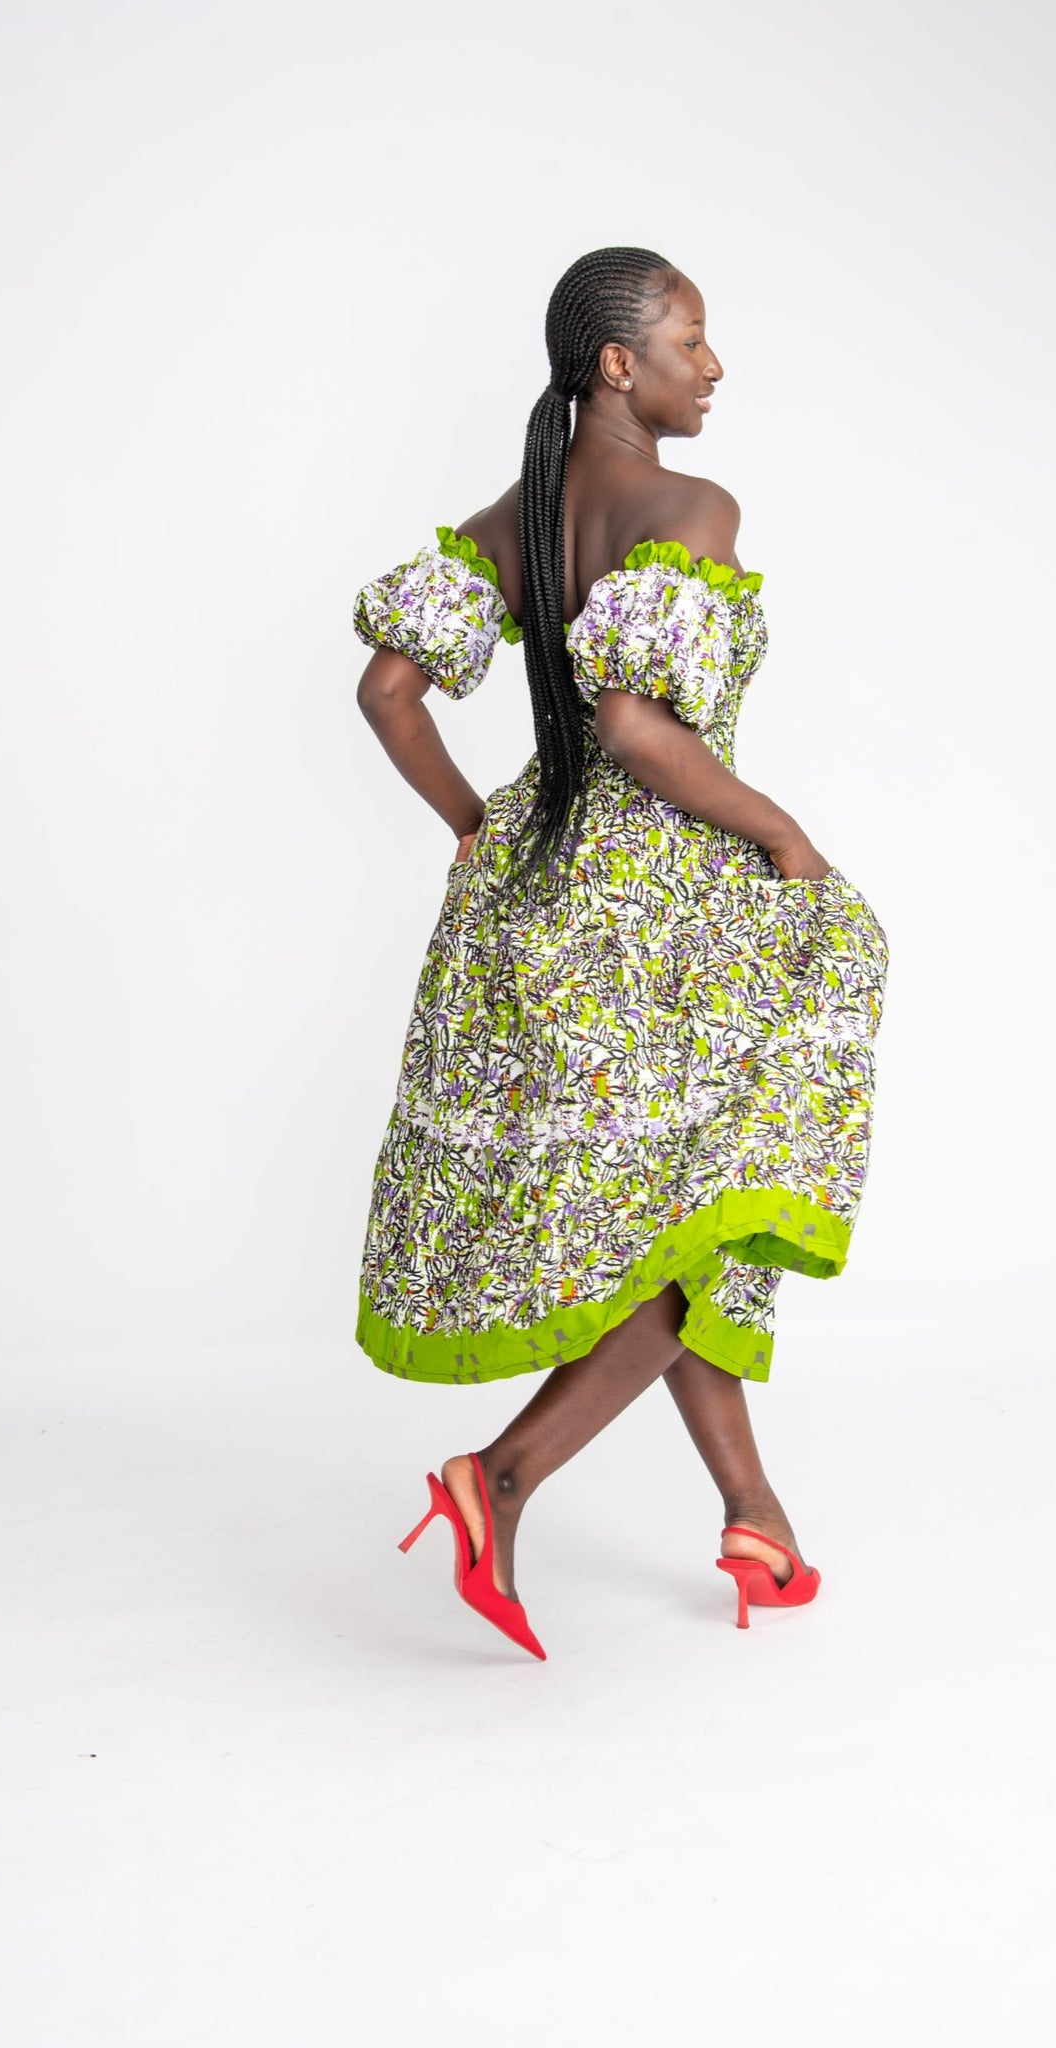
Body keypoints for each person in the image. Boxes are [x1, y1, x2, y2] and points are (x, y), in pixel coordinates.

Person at [351, 246, 890, 1657]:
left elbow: (389, 690)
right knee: (715, 1206)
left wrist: (475, 828)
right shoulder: (690, 508)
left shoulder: (515, 519)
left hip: (535, 902)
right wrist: (786, 835)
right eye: (691, 342)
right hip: (659, 911)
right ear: (618, 364)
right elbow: (640, 730)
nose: (711, 368)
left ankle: (755, 1516)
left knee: (687, 1210)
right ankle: (501, 1478)